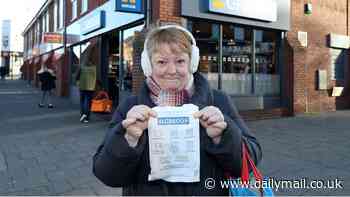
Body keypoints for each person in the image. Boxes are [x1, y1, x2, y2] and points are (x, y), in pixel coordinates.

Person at [92, 25, 262, 195]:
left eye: (180, 61)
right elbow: (106, 174)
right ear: (148, 65)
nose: (172, 71)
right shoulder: (130, 107)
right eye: (161, 62)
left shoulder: (218, 101)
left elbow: (251, 158)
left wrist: (223, 136)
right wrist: (128, 138)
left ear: (192, 62)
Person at [76, 52, 96, 123]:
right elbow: (97, 77)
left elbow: (77, 76)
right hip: (91, 87)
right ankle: (87, 117)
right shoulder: (93, 67)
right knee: (88, 102)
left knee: (82, 101)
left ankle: (83, 114)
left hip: (82, 86)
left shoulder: (81, 66)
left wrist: (77, 81)